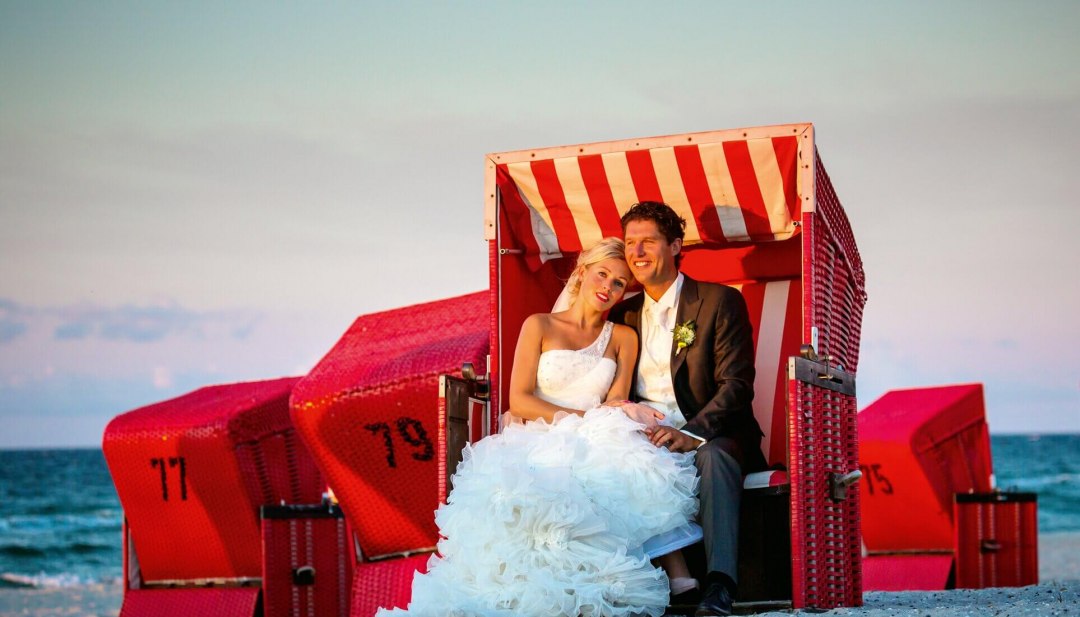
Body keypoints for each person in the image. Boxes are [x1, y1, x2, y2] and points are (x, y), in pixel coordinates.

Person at [376, 237, 700, 617]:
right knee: (541, 488)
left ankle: (669, 573)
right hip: (542, 430)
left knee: (627, 452)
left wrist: (626, 412)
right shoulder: (540, 325)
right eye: (602, 275)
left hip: (596, 432)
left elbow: (614, 399)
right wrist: (583, 421)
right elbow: (521, 399)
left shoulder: (624, 338)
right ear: (582, 273)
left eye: (619, 283)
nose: (608, 288)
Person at [608, 202, 767, 617]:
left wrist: (691, 433)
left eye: (649, 242)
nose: (637, 252)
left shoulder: (719, 301)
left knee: (712, 457)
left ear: (676, 245)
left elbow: (737, 386)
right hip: (646, 438)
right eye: (630, 243)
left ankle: (719, 587)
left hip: (712, 434)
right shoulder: (621, 315)